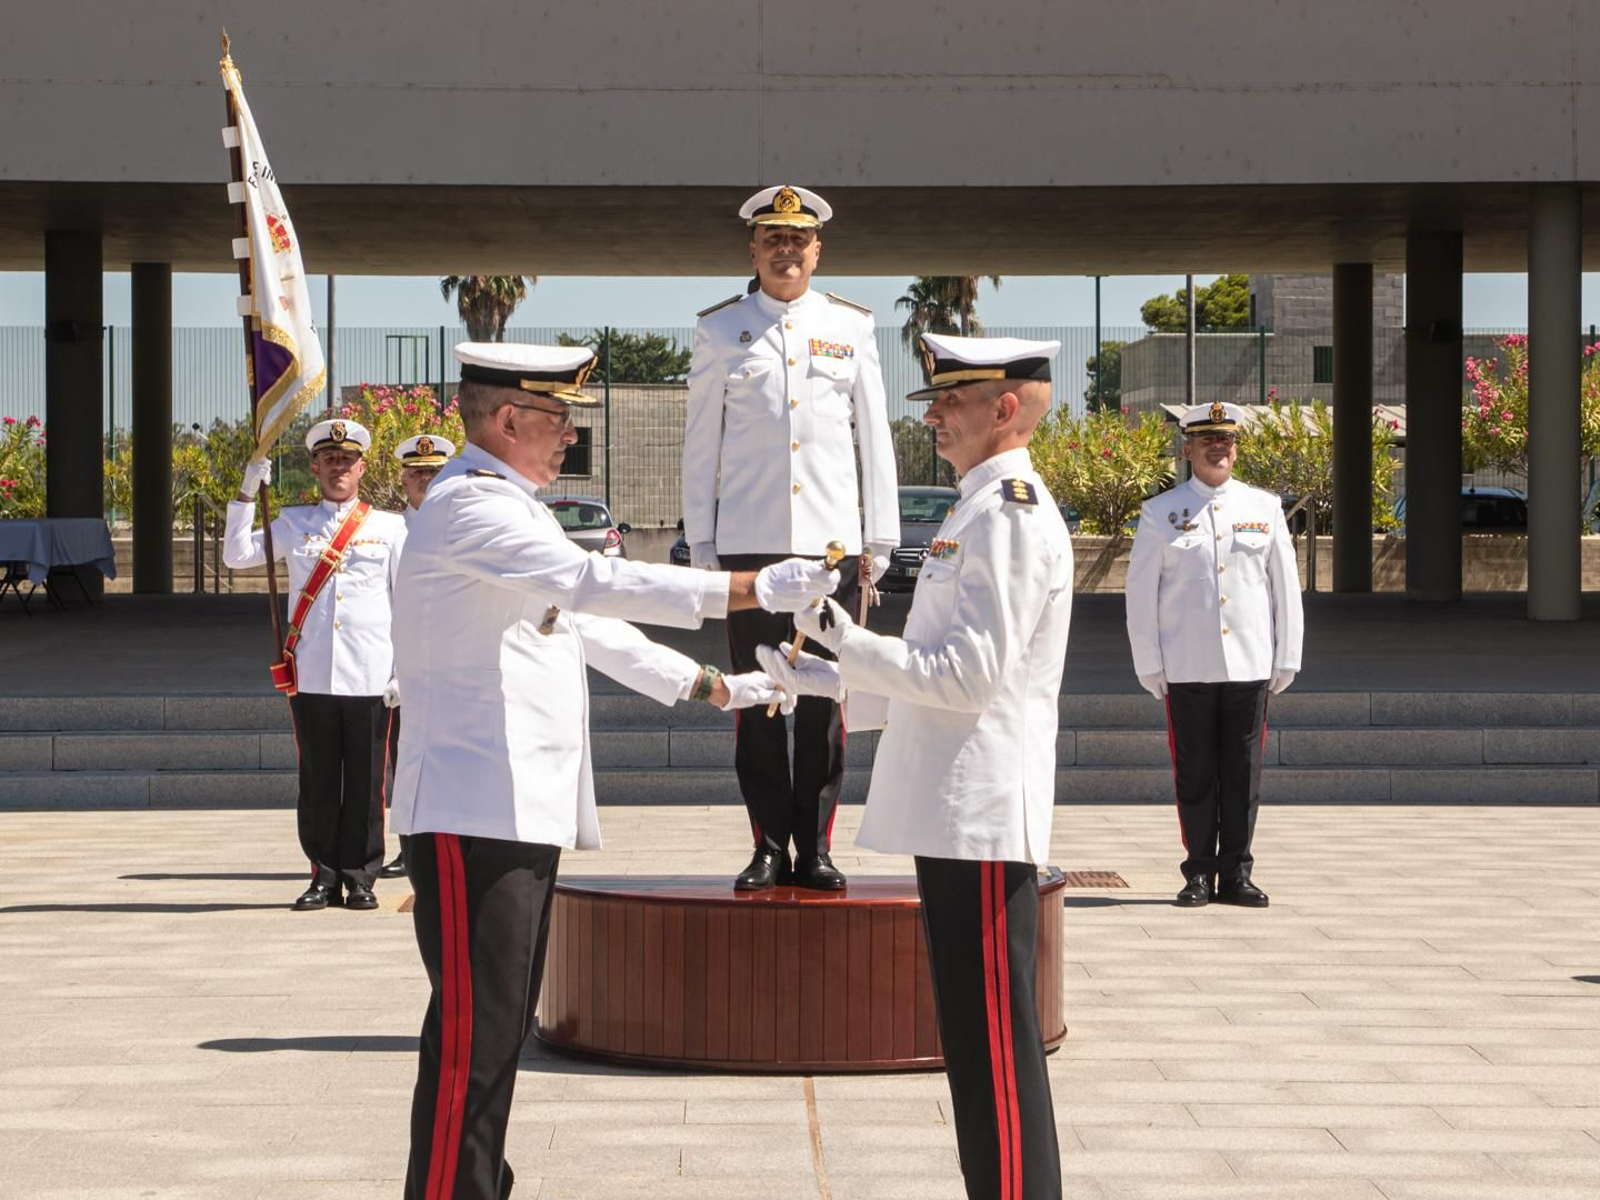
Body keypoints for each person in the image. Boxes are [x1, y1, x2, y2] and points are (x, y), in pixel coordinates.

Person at [391, 341, 838, 1200]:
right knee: (475, 1038)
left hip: (512, 809)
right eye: (558, 420)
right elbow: (593, 583)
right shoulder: (469, 508)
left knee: (499, 1026)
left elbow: (581, 625)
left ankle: (474, 1181)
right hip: (469, 808)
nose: (569, 437)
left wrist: (712, 684)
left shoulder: (512, 509)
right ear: (507, 419)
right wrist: (746, 590)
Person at [760, 334, 1072, 1200]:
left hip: (976, 809)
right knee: (975, 1048)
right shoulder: (976, 509)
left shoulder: (1006, 512)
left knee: (993, 1052)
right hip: (954, 807)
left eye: (950, 401)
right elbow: (936, 668)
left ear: (1004, 410)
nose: (931, 415)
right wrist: (830, 677)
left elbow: (968, 679)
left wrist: (842, 636)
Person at [682, 183, 900, 891]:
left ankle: (817, 846)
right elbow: (699, 447)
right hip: (746, 550)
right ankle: (767, 845)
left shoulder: (851, 326)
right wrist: (705, 545)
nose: (785, 250)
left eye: (797, 239)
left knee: (824, 704)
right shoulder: (720, 331)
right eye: (772, 239)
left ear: (817, 249)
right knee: (756, 699)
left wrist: (881, 538)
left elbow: (876, 439)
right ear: (752, 248)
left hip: (832, 552)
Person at [1124, 401, 1304, 909]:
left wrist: (1287, 654)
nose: (1217, 448)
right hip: (1187, 664)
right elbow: (1140, 593)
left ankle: (1237, 873)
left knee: (1243, 773)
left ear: (1235, 448)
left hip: (1250, 662)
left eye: (1225, 441)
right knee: (1196, 772)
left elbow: (1283, 588)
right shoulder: (1161, 513)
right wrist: (1149, 662)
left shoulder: (1263, 508)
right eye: (1207, 441)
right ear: (1188, 450)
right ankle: (1199, 872)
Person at [223, 418, 407, 912]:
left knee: (368, 784)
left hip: (371, 674)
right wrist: (246, 491)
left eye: (346, 460)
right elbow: (237, 555)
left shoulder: (389, 528)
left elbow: (408, 602)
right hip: (313, 672)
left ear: (362, 467)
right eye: (329, 460)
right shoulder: (293, 522)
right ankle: (323, 875)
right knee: (319, 782)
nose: (338, 467)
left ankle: (362, 875)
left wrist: (402, 671)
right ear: (315, 468)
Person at [378, 433, 458, 881]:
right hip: (406, 671)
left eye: (433, 471)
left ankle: (453, 842)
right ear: (403, 479)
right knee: (406, 764)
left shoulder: (463, 525)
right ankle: (410, 849)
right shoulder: (391, 532)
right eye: (417, 472)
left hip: (457, 666)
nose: (425, 479)